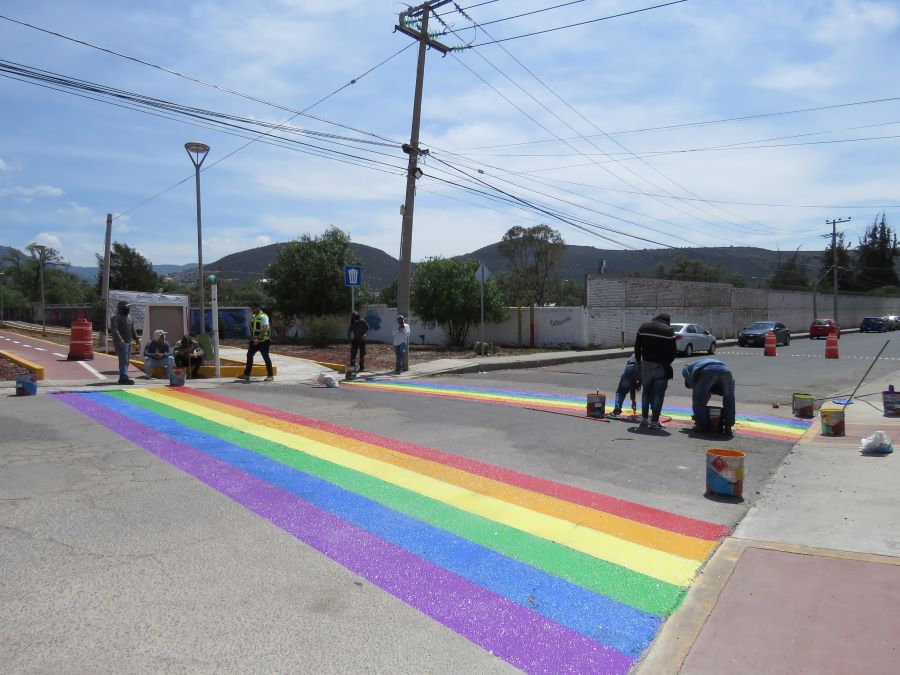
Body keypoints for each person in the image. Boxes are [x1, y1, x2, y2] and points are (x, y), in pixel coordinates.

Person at [634, 312, 677, 430]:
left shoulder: (643, 327)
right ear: (667, 321)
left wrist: (638, 362)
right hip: (661, 367)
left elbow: (637, 346)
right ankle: (654, 421)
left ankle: (644, 419)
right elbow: (673, 352)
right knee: (658, 394)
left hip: (646, 365)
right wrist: (666, 363)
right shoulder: (669, 331)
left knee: (646, 392)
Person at [683, 358, 736, 436]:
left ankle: (702, 426)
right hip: (725, 370)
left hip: (708, 370)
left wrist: (700, 410)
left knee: (698, 401)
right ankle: (728, 427)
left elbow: (697, 390)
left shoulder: (685, 370)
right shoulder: (697, 365)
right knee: (729, 398)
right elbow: (711, 390)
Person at [239, 302, 273, 381]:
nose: (252, 310)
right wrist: (251, 338)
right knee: (249, 355)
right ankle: (246, 375)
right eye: (251, 308)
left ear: (258, 308)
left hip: (263, 341)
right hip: (254, 341)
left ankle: (270, 376)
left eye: (253, 308)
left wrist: (259, 339)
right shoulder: (254, 317)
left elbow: (264, 328)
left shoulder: (264, 317)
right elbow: (254, 329)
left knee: (266, 357)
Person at [109, 300, 138, 385]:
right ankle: (124, 378)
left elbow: (132, 329)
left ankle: (123, 376)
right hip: (121, 343)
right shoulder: (115, 317)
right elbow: (114, 330)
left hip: (128, 342)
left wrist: (136, 338)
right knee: (123, 360)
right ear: (121, 308)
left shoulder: (130, 317)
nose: (128, 309)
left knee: (127, 360)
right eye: (126, 307)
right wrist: (120, 339)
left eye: (128, 307)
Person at [608, 354, 641, 419]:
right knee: (648, 392)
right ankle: (655, 412)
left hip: (631, 367)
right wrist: (633, 401)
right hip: (644, 369)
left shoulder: (635, 354)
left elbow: (631, 384)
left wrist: (633, 401)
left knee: (620, 392)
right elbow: (633, 385)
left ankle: (617, 411)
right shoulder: (648, 354)